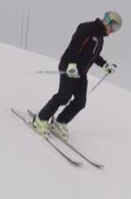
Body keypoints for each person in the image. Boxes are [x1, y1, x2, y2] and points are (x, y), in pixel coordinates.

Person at [33, 11, 122, 139]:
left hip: (81, 73)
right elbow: (74, 47)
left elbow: (94, 56)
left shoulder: (100, 39)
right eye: (113, 26)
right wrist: (71, 65)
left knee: (80, 102)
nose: (113, 30)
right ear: (106, 20)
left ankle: (60, 122)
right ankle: (41, 119)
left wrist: (105, 65)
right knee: (64, 96)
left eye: (117, 29)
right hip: (69, 67)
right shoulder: (87, 28)